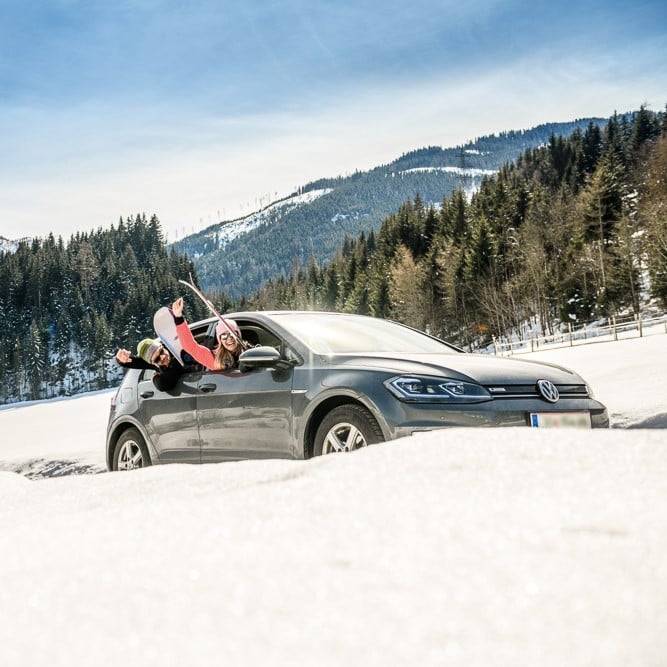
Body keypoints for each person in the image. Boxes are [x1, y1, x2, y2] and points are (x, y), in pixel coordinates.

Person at [171, 296, 246, 371]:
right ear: (220, 340)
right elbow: (190, 347)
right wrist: (179, 318)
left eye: (232, 334)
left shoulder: (249, 351)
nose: (229, 338)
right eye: (224, 336)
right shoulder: (215, 359)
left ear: (238, 335)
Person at [114, 338, 189, 391]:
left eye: (161, 351)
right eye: (157, 359)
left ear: (162, 346)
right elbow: (136, 362)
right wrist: (121, 360)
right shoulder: (156, 365)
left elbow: (164, 383)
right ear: (152, 363)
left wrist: (157, 377)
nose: (162, 357)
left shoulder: (179, 349)